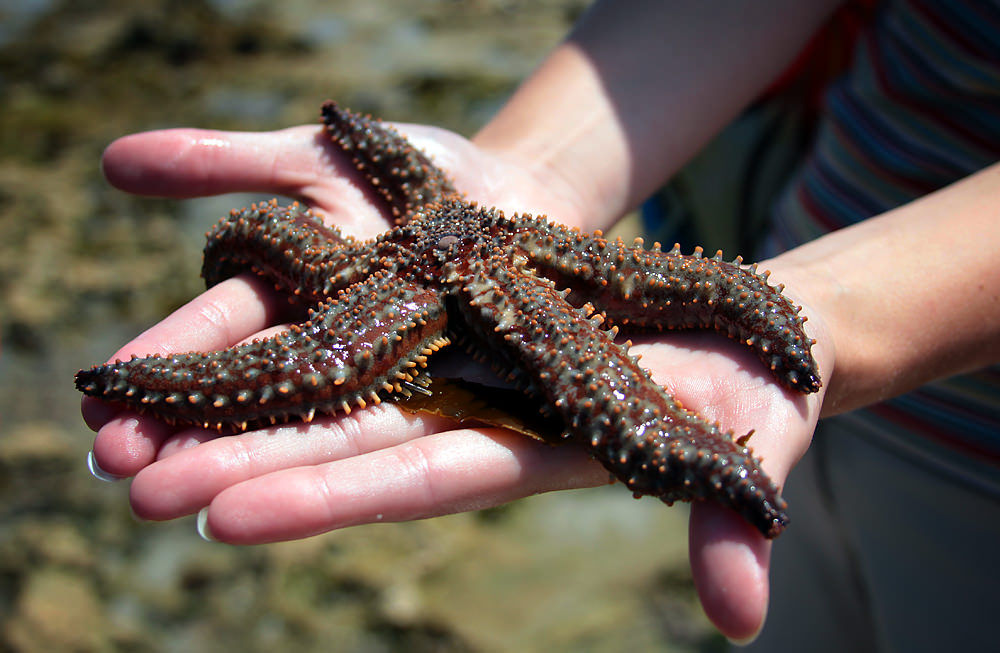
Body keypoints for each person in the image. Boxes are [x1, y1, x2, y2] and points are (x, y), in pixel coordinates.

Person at [82, 0, 1000, 648]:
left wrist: (837, 312)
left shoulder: (484, 260)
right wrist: (535, 159)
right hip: (817, 230)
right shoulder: (452, 238)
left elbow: (662, 292)